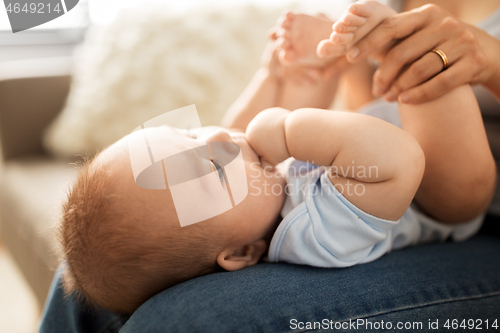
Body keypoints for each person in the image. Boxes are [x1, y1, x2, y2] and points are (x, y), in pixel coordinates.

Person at [40, 1, 499, 332]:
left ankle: (406, 48)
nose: (217, 138)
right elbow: (400, 159)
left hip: (413, 151)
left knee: (121, 255)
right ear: (242, 254)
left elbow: (236, 129)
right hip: (446, 196)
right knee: (422, 76)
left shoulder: (249, 197)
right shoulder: (312, 231)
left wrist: (289, 72)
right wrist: (292, 127)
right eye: (214, 168)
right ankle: (410, 50)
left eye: (190, 136)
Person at [269, 0, 499, 224]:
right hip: (380, 160)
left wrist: (493, 61)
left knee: (428, 63)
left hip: (457, 190)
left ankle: (408, 51)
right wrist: (351, 62)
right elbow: (373, 110)